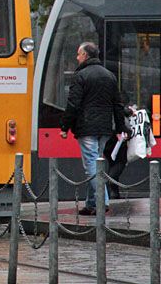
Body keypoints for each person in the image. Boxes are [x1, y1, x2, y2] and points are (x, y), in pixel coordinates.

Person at [59, 42, 128, 215]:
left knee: (90, 163)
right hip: (105, 128)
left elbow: (73, 104)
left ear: (85, 56)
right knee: (96, 161)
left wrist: (64, 127)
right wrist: (120, 128)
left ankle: (101, 201)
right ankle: (90, 204)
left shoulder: (80, 76)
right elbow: (117, 105)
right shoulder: (109, 76)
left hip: (86, 126)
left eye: (79, 54)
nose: (77, 57)